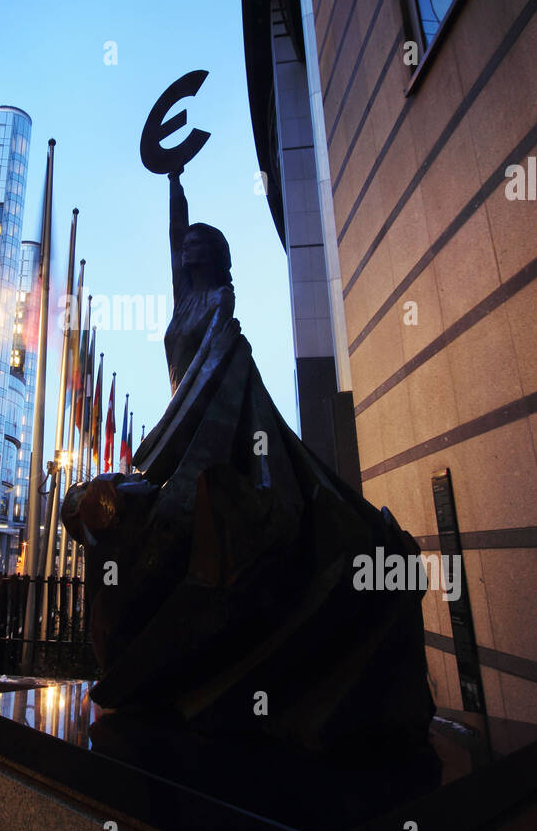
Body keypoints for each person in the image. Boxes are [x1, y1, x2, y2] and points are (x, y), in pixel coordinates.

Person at [62, 171, 435, 758]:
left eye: (199, 247)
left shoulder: (217, 303)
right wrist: (177, 179)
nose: (188, 251)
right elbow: (172, 232)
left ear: (216, 259)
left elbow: (217, 370)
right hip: (185, 419)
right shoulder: (184, 298)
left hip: (221, 422)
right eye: (186, 249)